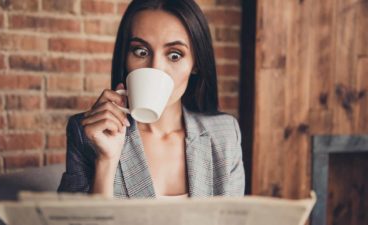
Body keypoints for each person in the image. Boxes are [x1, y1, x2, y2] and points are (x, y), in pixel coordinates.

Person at [58, 0, 245, 198]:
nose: (155, 68)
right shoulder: (89, 134)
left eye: (174, 55)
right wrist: (106, 161)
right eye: (141, 52)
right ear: (125, 58)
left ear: (195, 64)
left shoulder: (224, 135)